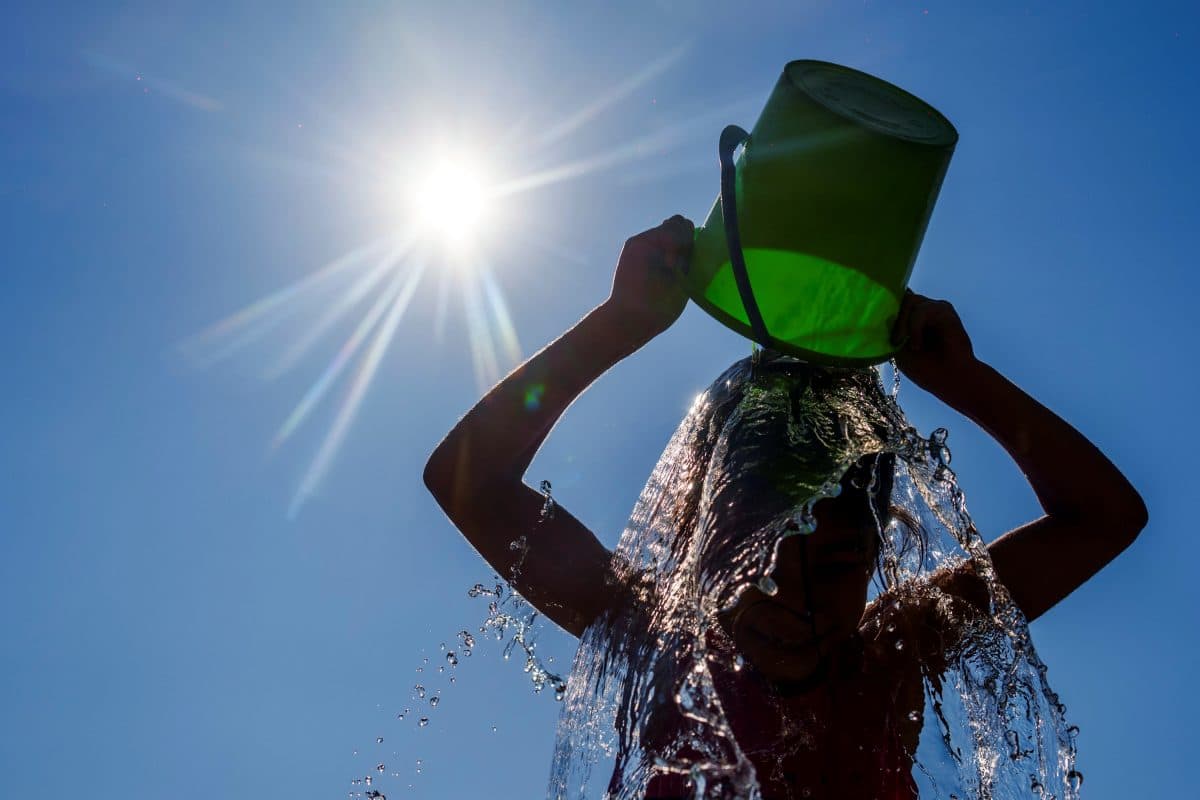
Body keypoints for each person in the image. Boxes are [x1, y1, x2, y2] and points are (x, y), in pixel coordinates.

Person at [422, 216, 1147, 798]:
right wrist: (618, 321)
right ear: (697, 536)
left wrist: (966, 380)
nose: (793, 598)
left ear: (875, 553)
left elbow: (1106, 518)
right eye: (756, 560)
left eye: (834, 562)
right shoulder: (659, 639)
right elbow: (467, 482)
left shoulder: (895, 650)